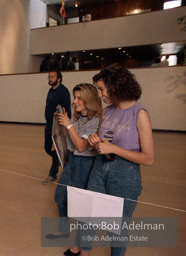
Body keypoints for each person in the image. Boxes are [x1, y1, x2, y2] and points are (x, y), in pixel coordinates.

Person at [72, 64, 155, 256]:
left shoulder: (139, 114)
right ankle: (84, 251)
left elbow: (149, 158)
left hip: (125, 174)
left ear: (116, 86)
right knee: (88, 214)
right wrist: (95, 140)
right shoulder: (108, 111)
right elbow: (103, 141)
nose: (99, 95)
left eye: (101, 89)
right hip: (100, 168)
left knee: (117, 226)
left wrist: (114, 149)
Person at [48, 84, 102, 255]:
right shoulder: (78, 118)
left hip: (85, 165)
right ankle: (64, 229)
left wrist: (69, 125)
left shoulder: (96, 121)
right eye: (75, 97)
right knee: (60, 197)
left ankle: (80, 246)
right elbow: (71, 142)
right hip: (72, 162)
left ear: (89, 100)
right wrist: (62, 128)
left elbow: (81, 146)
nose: (75, 101)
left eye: (79, 98)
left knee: (81, 208)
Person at [43, 70, 71, 185]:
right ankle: (65, 163)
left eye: (52, 77)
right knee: (47, 148)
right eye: (49, 77)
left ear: (59, 78)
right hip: (49, 125)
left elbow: (67, 111)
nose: (50, 79)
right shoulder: (51, 90)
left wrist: (64, 128)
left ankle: (53, 174)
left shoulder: (63, 91)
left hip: (58, 127)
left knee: (57, 150)